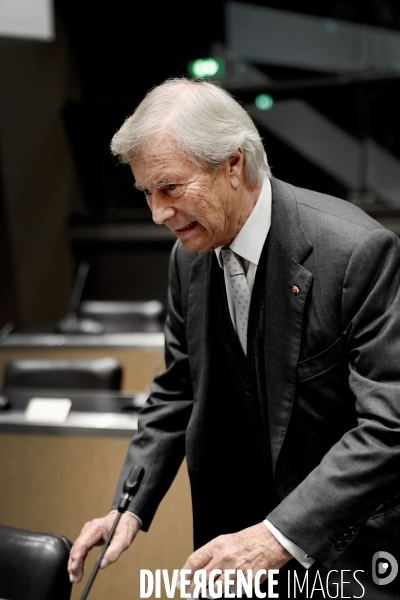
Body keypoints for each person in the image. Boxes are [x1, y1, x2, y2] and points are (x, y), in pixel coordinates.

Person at [68, 78, 400, 598]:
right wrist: (127, 506)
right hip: (229, 553)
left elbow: (388, 427)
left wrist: (276, 537)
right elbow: (178, 388)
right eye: (147, 194)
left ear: (233, 163)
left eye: (170, 188)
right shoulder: (188, 256)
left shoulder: (356, 252)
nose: (157, 214)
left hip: (343, 554)